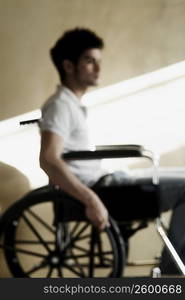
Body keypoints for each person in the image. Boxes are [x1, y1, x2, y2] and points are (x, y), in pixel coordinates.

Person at [39, 28, 185, 274]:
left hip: (109, 181)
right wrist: (91, 199)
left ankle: (171, 269)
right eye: (89, 60)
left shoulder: (72, 104)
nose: (98, 68)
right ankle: (171, 274)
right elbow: (49, 159)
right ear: (68, 65)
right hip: (101, 190)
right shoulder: (60, 106)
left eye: (99, 61)